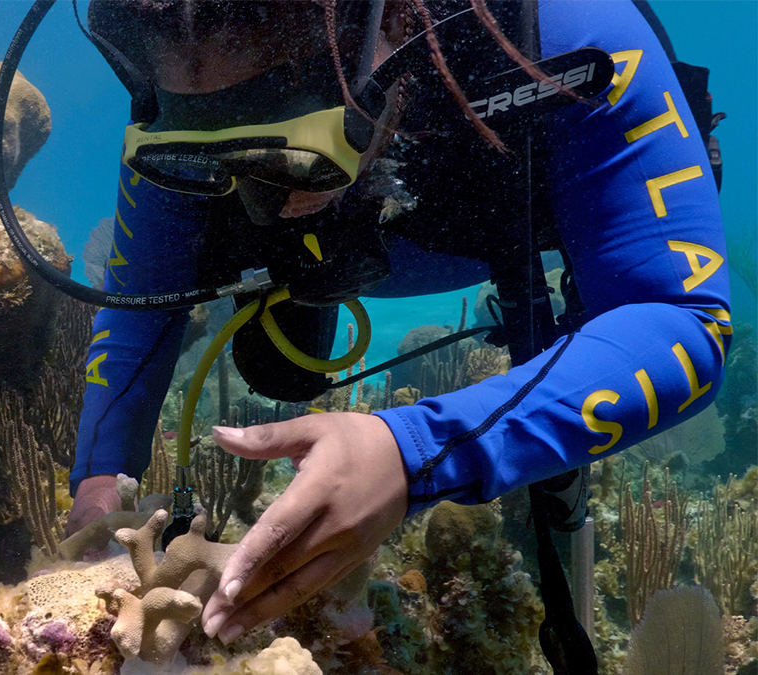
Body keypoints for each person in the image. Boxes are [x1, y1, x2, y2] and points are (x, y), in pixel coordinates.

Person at [65, 0, 731, 651]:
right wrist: (99, 484)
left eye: (287, 153)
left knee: (569, 410)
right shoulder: (176, 59)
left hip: (520, 209)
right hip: (341, 246)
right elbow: (138, 298)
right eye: (211, 152)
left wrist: (415, 451)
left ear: (386, 34)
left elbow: (684, 323)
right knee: (280, 367)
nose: (258, 196)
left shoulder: (567, 30)